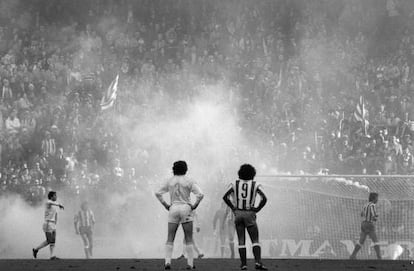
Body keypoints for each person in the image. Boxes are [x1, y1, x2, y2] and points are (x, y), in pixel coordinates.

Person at [155, 160, 204, 270]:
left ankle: (167, 262)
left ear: (174, 169)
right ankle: (190, 264)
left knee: (170, 237)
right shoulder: (189, 180)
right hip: (186, 208)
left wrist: (165, 205)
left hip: (173, 208)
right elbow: (200, 194)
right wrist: (195, 205)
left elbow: (158, 193)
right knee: (188, 237)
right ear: (185, 169)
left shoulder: (169, 181)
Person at [223, 164, 267, 270]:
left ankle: (243, 264)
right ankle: (258, 262)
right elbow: (264, 198)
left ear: (240, 173)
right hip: (249, 213)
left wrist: (233, 208)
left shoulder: (234, 183)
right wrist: (257, 209)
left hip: (238, 213)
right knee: (255, 240)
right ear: (253, 174)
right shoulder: (255, 185)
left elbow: (225, 197)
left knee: (241, 240)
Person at [32, 191, 64, 260]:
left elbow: (56, 214)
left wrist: (55, 223)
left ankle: (51, 256)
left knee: (53, 240)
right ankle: (36, 249)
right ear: (51, 196)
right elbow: (51, 203)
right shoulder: (48, 203)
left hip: (53, 224)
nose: (56, 197)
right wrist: (59, 204)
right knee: (49, 240)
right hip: (48, 223)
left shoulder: (54, 205)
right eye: (55, 195)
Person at [349, 192, 382, 260]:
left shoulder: (365, 205)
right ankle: (379, 257)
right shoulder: (372, 205)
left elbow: (361, 214)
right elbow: (374, 216)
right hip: (369, 224)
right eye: (377, 198)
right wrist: (377, 216)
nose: (377, 200)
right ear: (374, 198)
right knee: (375, 241)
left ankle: (353, 255)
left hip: (363, 224)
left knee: (361, 241)